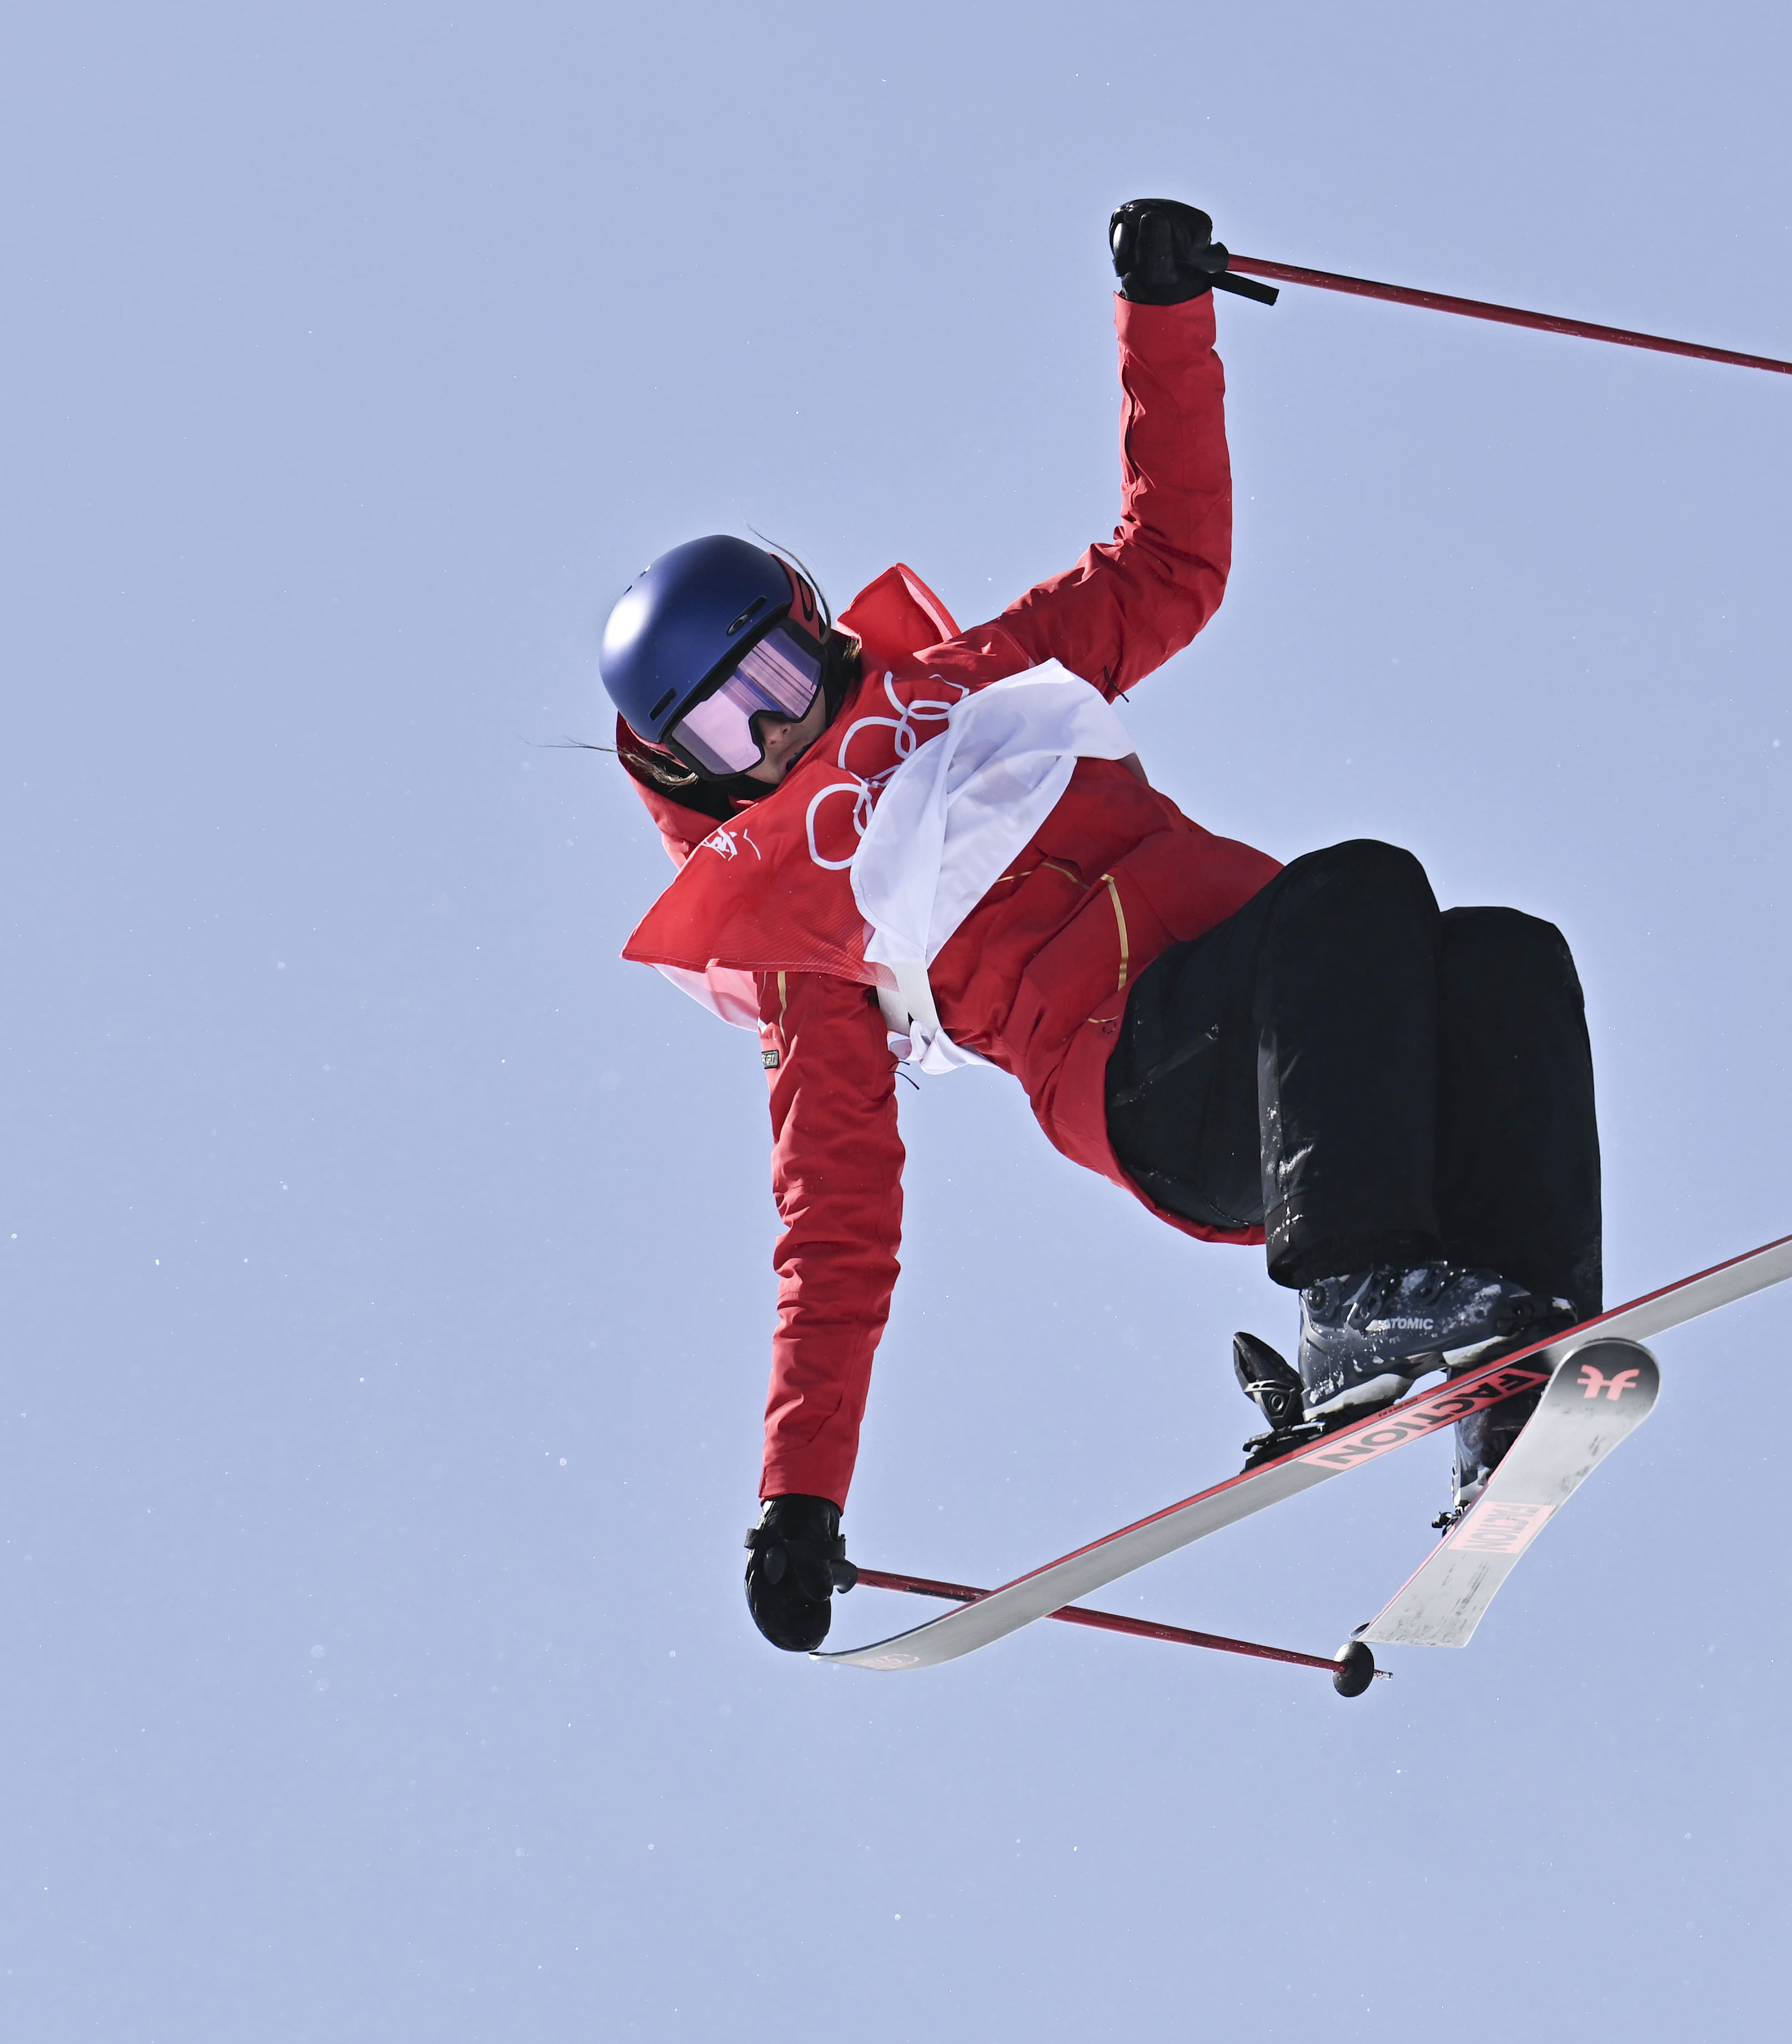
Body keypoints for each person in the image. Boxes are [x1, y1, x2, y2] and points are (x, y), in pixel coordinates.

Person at [598, 200, 1602, 1654]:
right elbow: (834, 1232)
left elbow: (1171, 563)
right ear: (687, 768)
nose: (775, 725)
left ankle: (1518, 1354)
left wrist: (1165, 320)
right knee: (1356, 884)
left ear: (811, 624)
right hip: (1165, 1091)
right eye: (727, 725)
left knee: (1508, 960)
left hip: (1315, 1040)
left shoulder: (978, 677)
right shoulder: (808, 930)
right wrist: (798, 1502)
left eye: (772, 672)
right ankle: (1358, 1308)